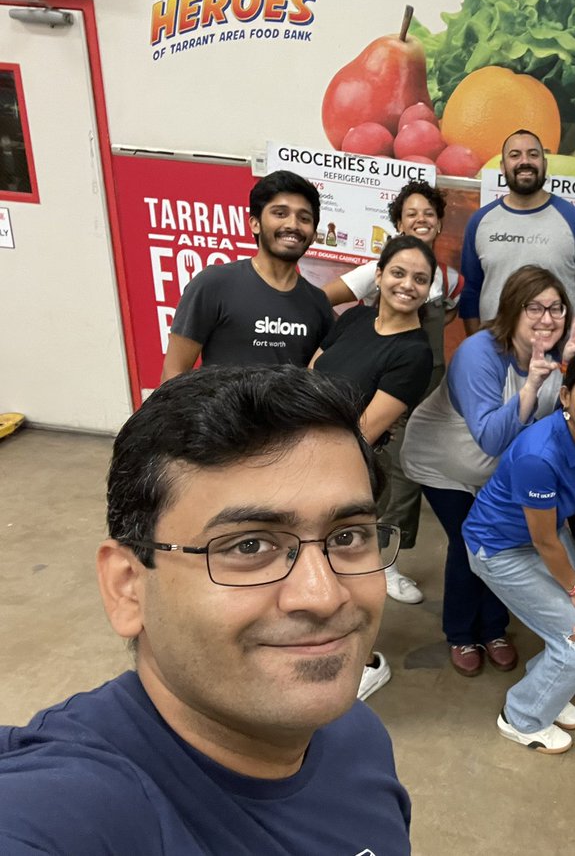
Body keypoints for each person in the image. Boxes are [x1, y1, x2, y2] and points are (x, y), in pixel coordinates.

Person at [0, 365, 412, 853]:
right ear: (128, 587)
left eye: (347, 537)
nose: (324, 596)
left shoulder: (355, 735)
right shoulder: (68, 809)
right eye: (248, 545)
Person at [401, 266, 575, 677]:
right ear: (512, 310)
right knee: (470, 541)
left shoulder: (558, 355)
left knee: (505, 543)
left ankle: (494, 628)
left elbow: (556, 428)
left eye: (556, 307)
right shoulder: (479, 353)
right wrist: (530, 388)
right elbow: (490, 437)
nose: (547, 318)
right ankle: (460, 633)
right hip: (445, 465)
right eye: (534, 307)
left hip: (498, 473)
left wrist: (572, 373)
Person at [462, 349, 575, 754]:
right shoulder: (540, 453)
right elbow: (544, 543)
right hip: (499, 550)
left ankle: (546, 687)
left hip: (541, 537)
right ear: (566, 397)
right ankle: (522, 718)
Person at [323, 181, 464, 611]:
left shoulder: (450, 280)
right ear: (397, 223)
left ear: (439, 222)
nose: (421, 220)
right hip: (375, 387)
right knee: (370, 475)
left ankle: (386, 563)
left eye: (428, 213)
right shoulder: (376, 272)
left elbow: (450, 319)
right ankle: (357, 557)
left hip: (425, 391)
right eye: (411, 214)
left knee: (406, 478)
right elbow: (320, 301)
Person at [310, 234, 436, 700]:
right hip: (305, 457)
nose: (407, 285)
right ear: (378, 275)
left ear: (428, 291)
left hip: (351, 473)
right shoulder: (356, 318)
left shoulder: (414, 352)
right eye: (398, 273)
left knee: (346, 575)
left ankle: (364, 664)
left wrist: (308, 455)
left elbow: (363, 430)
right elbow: (310, 377)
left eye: (420, 279)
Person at [161, 170, 333, 380]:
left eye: (304, 218)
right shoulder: (213, 284)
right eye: (280, 213)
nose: (292, 225)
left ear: (314, 235)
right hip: (220, 413)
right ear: (255, 223)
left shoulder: (318, 303)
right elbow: (174, 373)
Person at [458, 129, 575, 340]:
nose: (524, 161)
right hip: (495, 352)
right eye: (515, 155)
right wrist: (476, 345)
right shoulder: (480, 222)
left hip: (555, 355)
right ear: (502, 167)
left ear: (545, 164)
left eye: (533, 154)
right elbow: (471, 290)